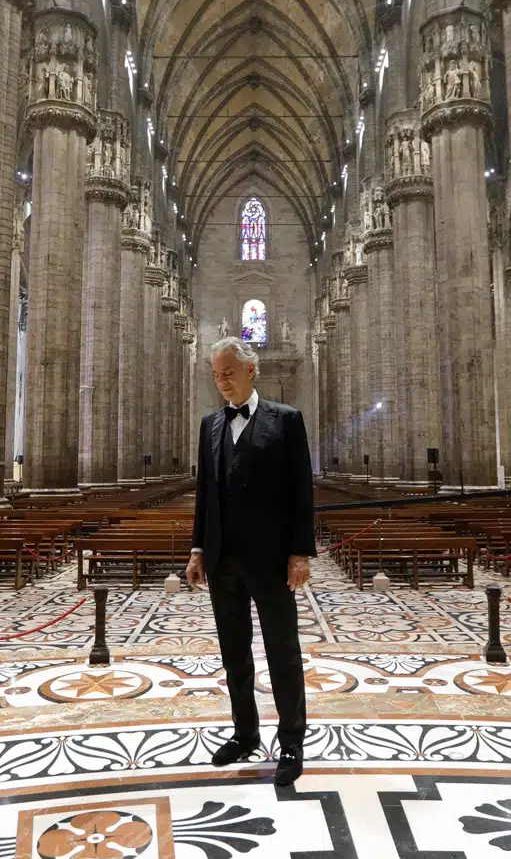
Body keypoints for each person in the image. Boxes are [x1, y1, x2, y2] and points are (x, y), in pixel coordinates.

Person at [187, 336, 314, 786]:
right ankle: (245, 732)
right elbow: (206, 493)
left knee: (283, 652)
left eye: (228, 373)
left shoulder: (286, 420)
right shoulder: (211, 425)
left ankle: (292, 741)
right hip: (223, 562)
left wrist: (300, 553)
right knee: (234, 653)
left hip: (272, 559)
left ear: (250, 371)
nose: (221, 382)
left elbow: (302, 492)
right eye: (216, 374)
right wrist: (198, 549)